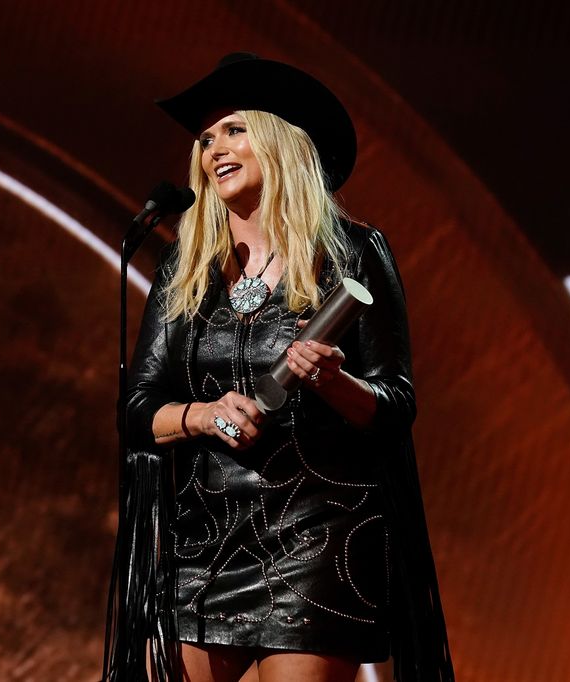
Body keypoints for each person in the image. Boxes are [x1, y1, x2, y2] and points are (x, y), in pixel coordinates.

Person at [123, 54, 452, 681]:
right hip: (201, 545)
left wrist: (333, 381)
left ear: (279, 143)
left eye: (234, 130)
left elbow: (396, 403)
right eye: (205, 139)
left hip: (315, 539)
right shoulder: (184, 268)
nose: (214, 148)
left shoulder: (351, 252)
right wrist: (202, 415)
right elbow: (138, 410)